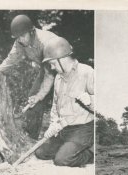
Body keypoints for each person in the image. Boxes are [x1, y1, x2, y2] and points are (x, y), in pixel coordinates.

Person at [34, 37, 94, 167]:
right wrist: (53, 124)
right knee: (40, 152)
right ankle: (68, 148)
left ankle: (90, 154)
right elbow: (55, 105)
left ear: (62, 59)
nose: (51, 67)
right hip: (64, 129)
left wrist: (91, 101)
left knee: (61, 160)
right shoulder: (58, 78)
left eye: (53, 63)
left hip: (83, 129)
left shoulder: (86, 72)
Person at [0, 14, 59, 139]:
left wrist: (40, 95)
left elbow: (50, 75)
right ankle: (31, 137)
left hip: (62, 71)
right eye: (17, 37)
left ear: (32, 32)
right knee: (33, 100)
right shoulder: (20, 42)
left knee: (61, 103)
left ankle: (62, 139)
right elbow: (12, 58)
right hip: (46, 69)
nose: (20, 39)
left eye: (22, 36)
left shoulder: (46, 41)